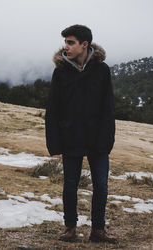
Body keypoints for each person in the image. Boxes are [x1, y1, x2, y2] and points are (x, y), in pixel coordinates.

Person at [45, 24, 116, 243]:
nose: (65, 46)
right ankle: (70, 228)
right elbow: (53, 109)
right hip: (71, 137)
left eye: (71, 42)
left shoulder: (102, 71)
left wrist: (107, 138)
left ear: (84, 44)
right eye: (65, 42)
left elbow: (108, 108)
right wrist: (54, 143)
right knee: (70, 184)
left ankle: (98, 230)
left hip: (97, 139)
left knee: (101, 185)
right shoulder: (60, 72)